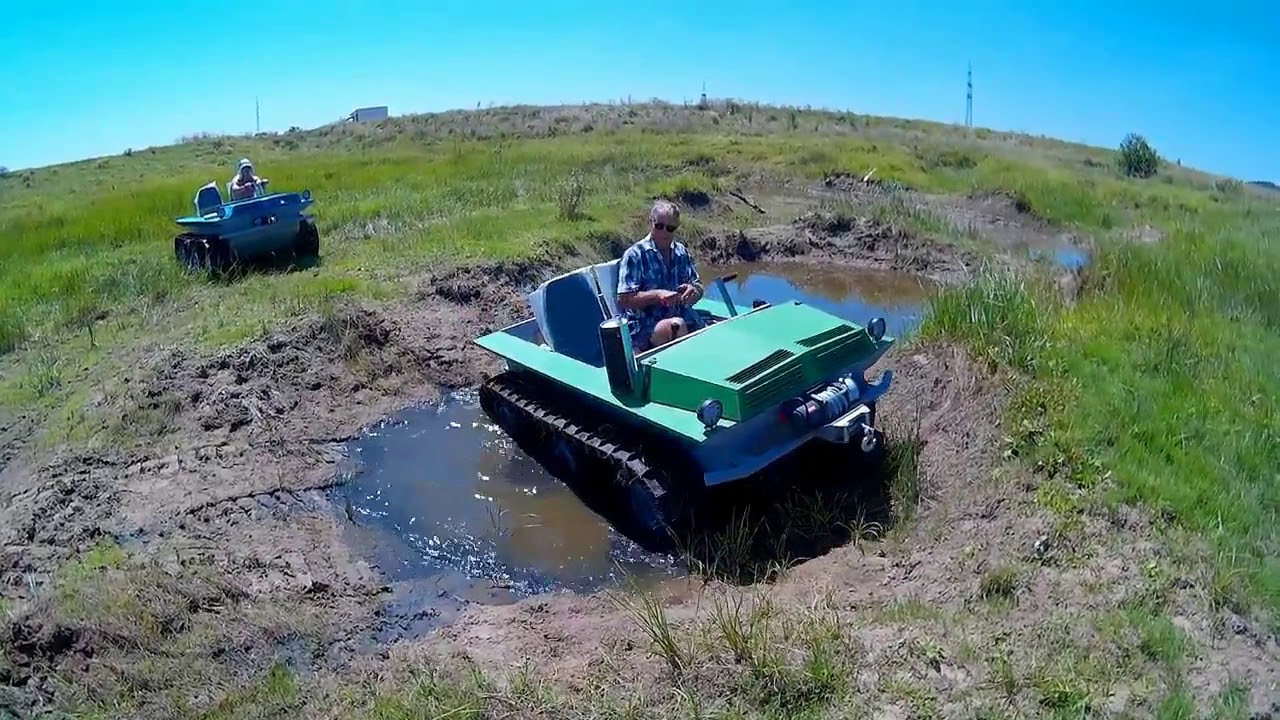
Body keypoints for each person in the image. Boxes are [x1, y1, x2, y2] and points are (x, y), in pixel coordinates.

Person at [616, 200, 705, 352]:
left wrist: (692, 291)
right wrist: (657, 295)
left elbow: (698, 287)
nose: (664, 232)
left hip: (682, 315)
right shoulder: (635, 255)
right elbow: (623, 299)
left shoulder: (681, 252)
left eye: (670, 228)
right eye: (659, 226)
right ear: (651, 222)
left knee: (708, 330)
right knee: (677, 324)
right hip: (645, 326)